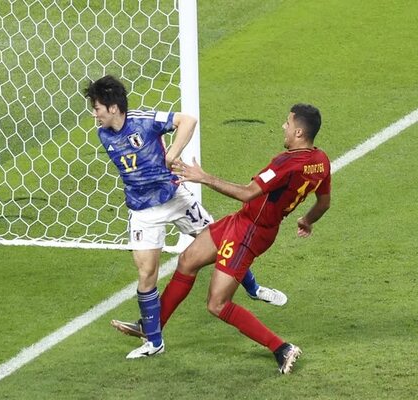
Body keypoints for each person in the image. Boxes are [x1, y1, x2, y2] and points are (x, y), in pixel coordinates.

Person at [83, 75, 288, 359]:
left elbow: (187, 121)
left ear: (113, 107)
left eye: (97, 108)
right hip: (143, 211)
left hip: (176, 198)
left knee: (225, 241)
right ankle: (154, 341)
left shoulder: (145, 120)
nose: (94, 114)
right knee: (146, 274)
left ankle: (254, 288)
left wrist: (173, 154)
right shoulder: (104, 134)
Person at [154, 103, 330, 374]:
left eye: (287, 122)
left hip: (250, 231)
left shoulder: (286, 163)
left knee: (217, 304)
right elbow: (324, 202)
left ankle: (281, 348)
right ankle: (152, 331)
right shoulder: (321, 160)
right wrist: (306, 221)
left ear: (298, 131)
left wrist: (204, 178)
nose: (283, 126)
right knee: (188, 260)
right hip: (243, 221)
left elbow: (249, 192)